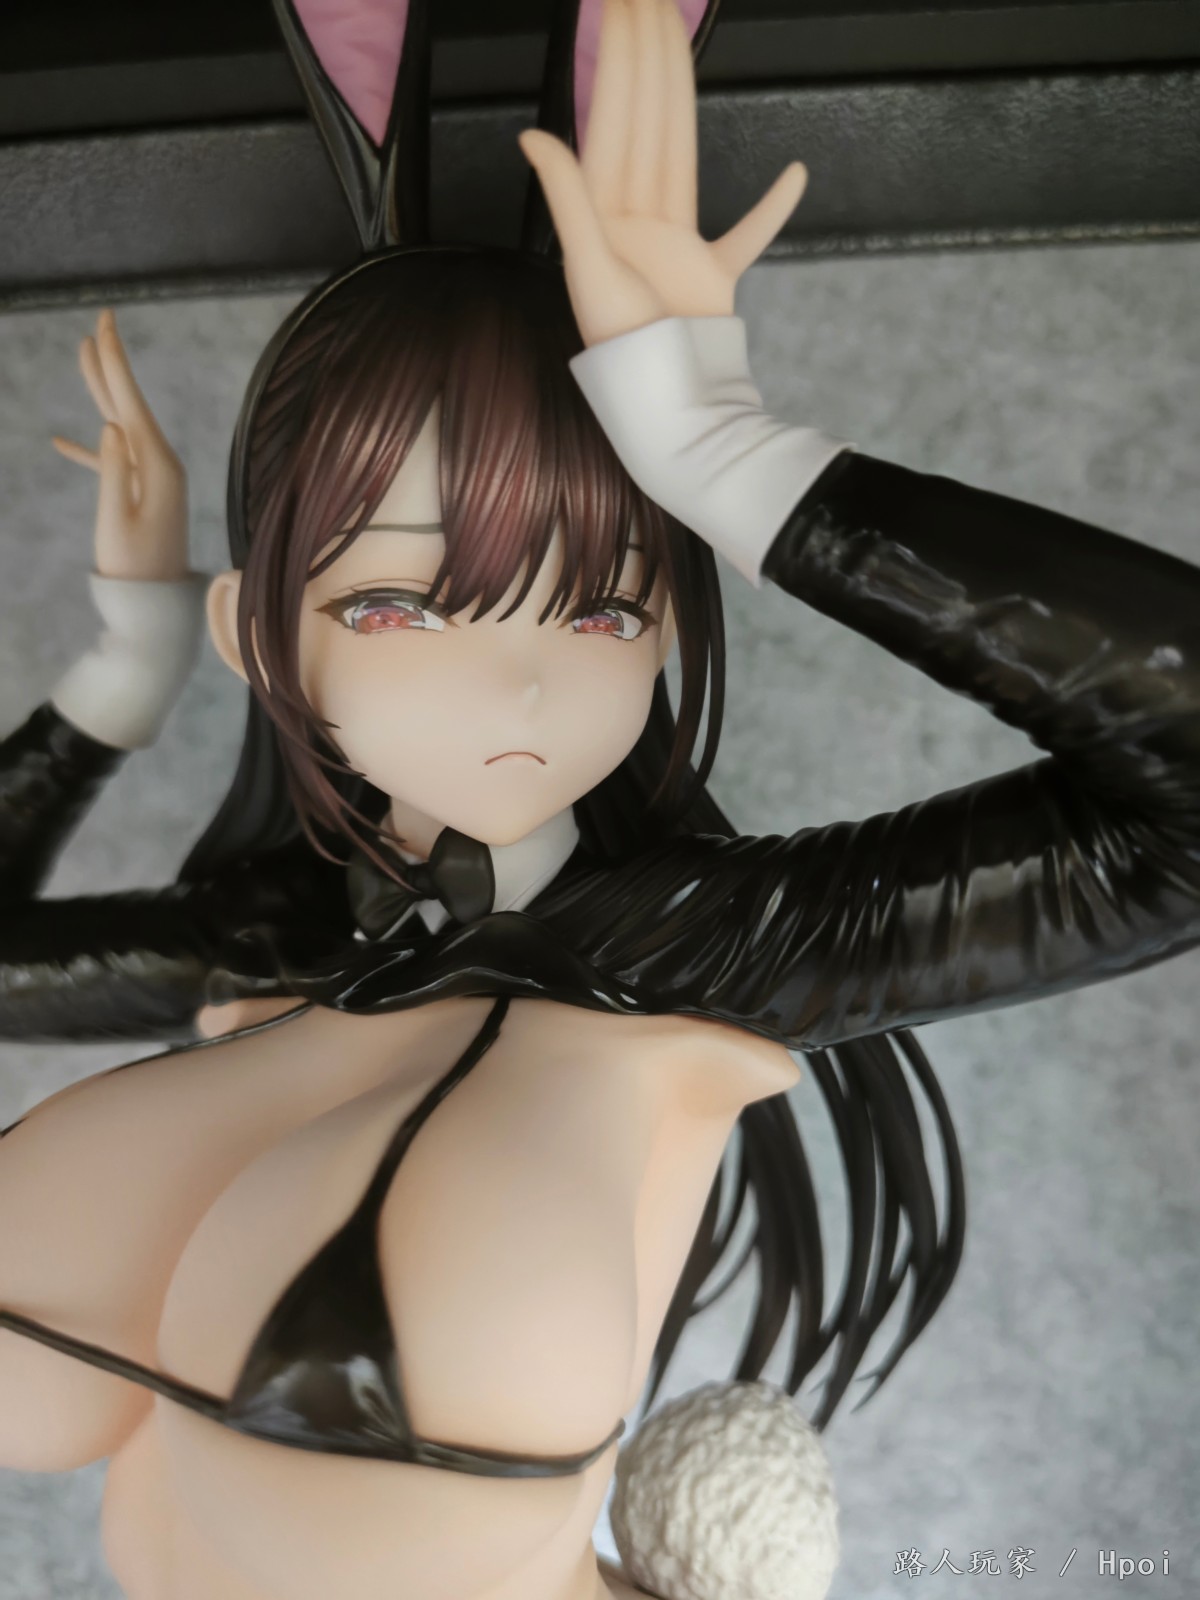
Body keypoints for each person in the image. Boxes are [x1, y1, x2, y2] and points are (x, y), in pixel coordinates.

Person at [1, 1, 1198, 1597]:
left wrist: (731, 457)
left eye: (599, 606)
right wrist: (118, 684)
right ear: (260, 639)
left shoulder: (704, 942)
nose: (516, 691)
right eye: (398, 606)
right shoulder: (279, 930)